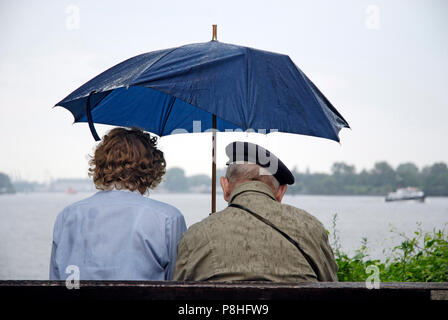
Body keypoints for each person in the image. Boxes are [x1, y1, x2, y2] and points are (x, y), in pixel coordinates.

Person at [174, 141, 338, 282]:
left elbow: (177, 295)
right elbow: (331, 287)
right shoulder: (311, 227)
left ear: (225, 186)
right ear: (281, 192)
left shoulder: (195, 235)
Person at [50, 127, 186, 280]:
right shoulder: (169, 218)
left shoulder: (67, 215)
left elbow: (56, 279)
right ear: (152, 167)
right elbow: (177, 282)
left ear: (100, 164)